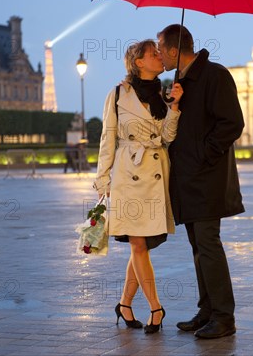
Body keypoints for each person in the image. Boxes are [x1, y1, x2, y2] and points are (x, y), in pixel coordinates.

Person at [157, 24, 245, 339]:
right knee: (199, 246)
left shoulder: (215, 75)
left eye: (159, 48)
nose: (157, 54)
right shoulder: (182, 82)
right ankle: (207, 312)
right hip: (190, 180)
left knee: (208, 244)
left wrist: (204, 155)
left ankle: (224, 317)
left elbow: (233, 123)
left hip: (207, 178)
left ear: (172, 49)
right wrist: (174, 106)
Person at [93, 39, 183, 334]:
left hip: (155, 172)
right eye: (154, 54)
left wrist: (176, 108)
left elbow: (168, 137)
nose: (161, 57)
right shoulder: (118, 94)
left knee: (140, 245)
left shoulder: (163, 92)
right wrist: (102, 179)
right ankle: (156, 308)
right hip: (127, 175)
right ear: (139, 62)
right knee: (138, 244)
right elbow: (107, 138)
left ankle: (125, 304)